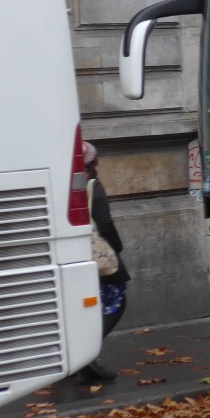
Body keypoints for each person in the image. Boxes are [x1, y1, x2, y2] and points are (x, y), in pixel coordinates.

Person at [80, 141, 130, 385]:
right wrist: (117, 248)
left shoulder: (66, 183)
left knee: (89, 305)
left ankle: (80, 355)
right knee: (117, 302)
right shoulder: (92, 184)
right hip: (99, 256)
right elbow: (105, 224)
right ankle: (85, 354)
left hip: (77, 254)